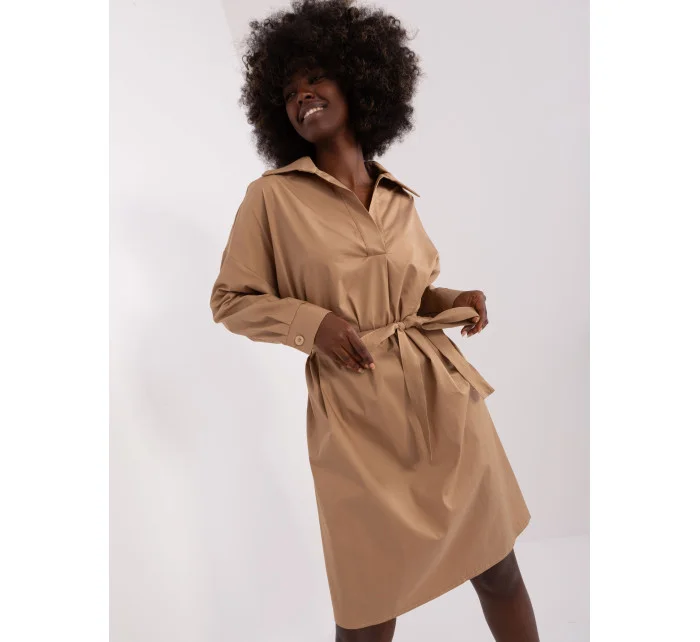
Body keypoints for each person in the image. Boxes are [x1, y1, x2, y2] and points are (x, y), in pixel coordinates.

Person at [210, 1, 538, 640]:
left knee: (499, 570)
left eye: (315, 79)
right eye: (289, 91)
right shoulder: (271, 198)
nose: (302, 96)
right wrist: (313, 324)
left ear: (359, 81)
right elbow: (231, 299)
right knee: (366, 608)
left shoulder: (398, 197)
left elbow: (407, 298)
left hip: (446, 403)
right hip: (356, 419)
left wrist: (452, 300)